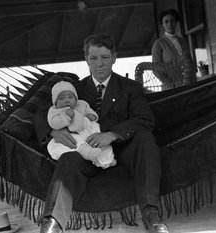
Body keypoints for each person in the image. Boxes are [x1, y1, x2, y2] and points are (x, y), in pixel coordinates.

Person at [39, 33, 168, 233]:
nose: (99, 64)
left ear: (114, 58)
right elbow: (41, 113)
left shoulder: (130, 88)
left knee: (145, 139)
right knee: (67, 159)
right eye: (93, 58)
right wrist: (52, 130)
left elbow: (144, 119)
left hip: (123, 150)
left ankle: (151, 214)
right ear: (86, 60)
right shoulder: (75, 90)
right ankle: (52, 223)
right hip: (86, 154)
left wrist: (112, 134)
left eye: (105, 57)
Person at [47, 80, 117, 169]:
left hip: (88, 129)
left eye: (70, 97)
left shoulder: (82, 104)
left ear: (76, 99)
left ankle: (108, 160)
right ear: (55, 102)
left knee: (100, 143)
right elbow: (53, 123)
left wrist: (92, 116)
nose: (67, 100)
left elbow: (89, 111)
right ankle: (86, 152)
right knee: (58, 146)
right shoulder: (54, 110)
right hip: (72, 133)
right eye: (61, 98)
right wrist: (66, 117)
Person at [151, 9, 195, 89]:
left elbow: (190, 62)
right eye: (166, 22)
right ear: (162, 24)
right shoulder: (158, 43)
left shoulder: (182, 41)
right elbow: (156, 69)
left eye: (172, 21)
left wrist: (193, 82)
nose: (170, 24)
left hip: (187, 85)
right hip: (170, 88)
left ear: (176, 22)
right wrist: (171, 84)